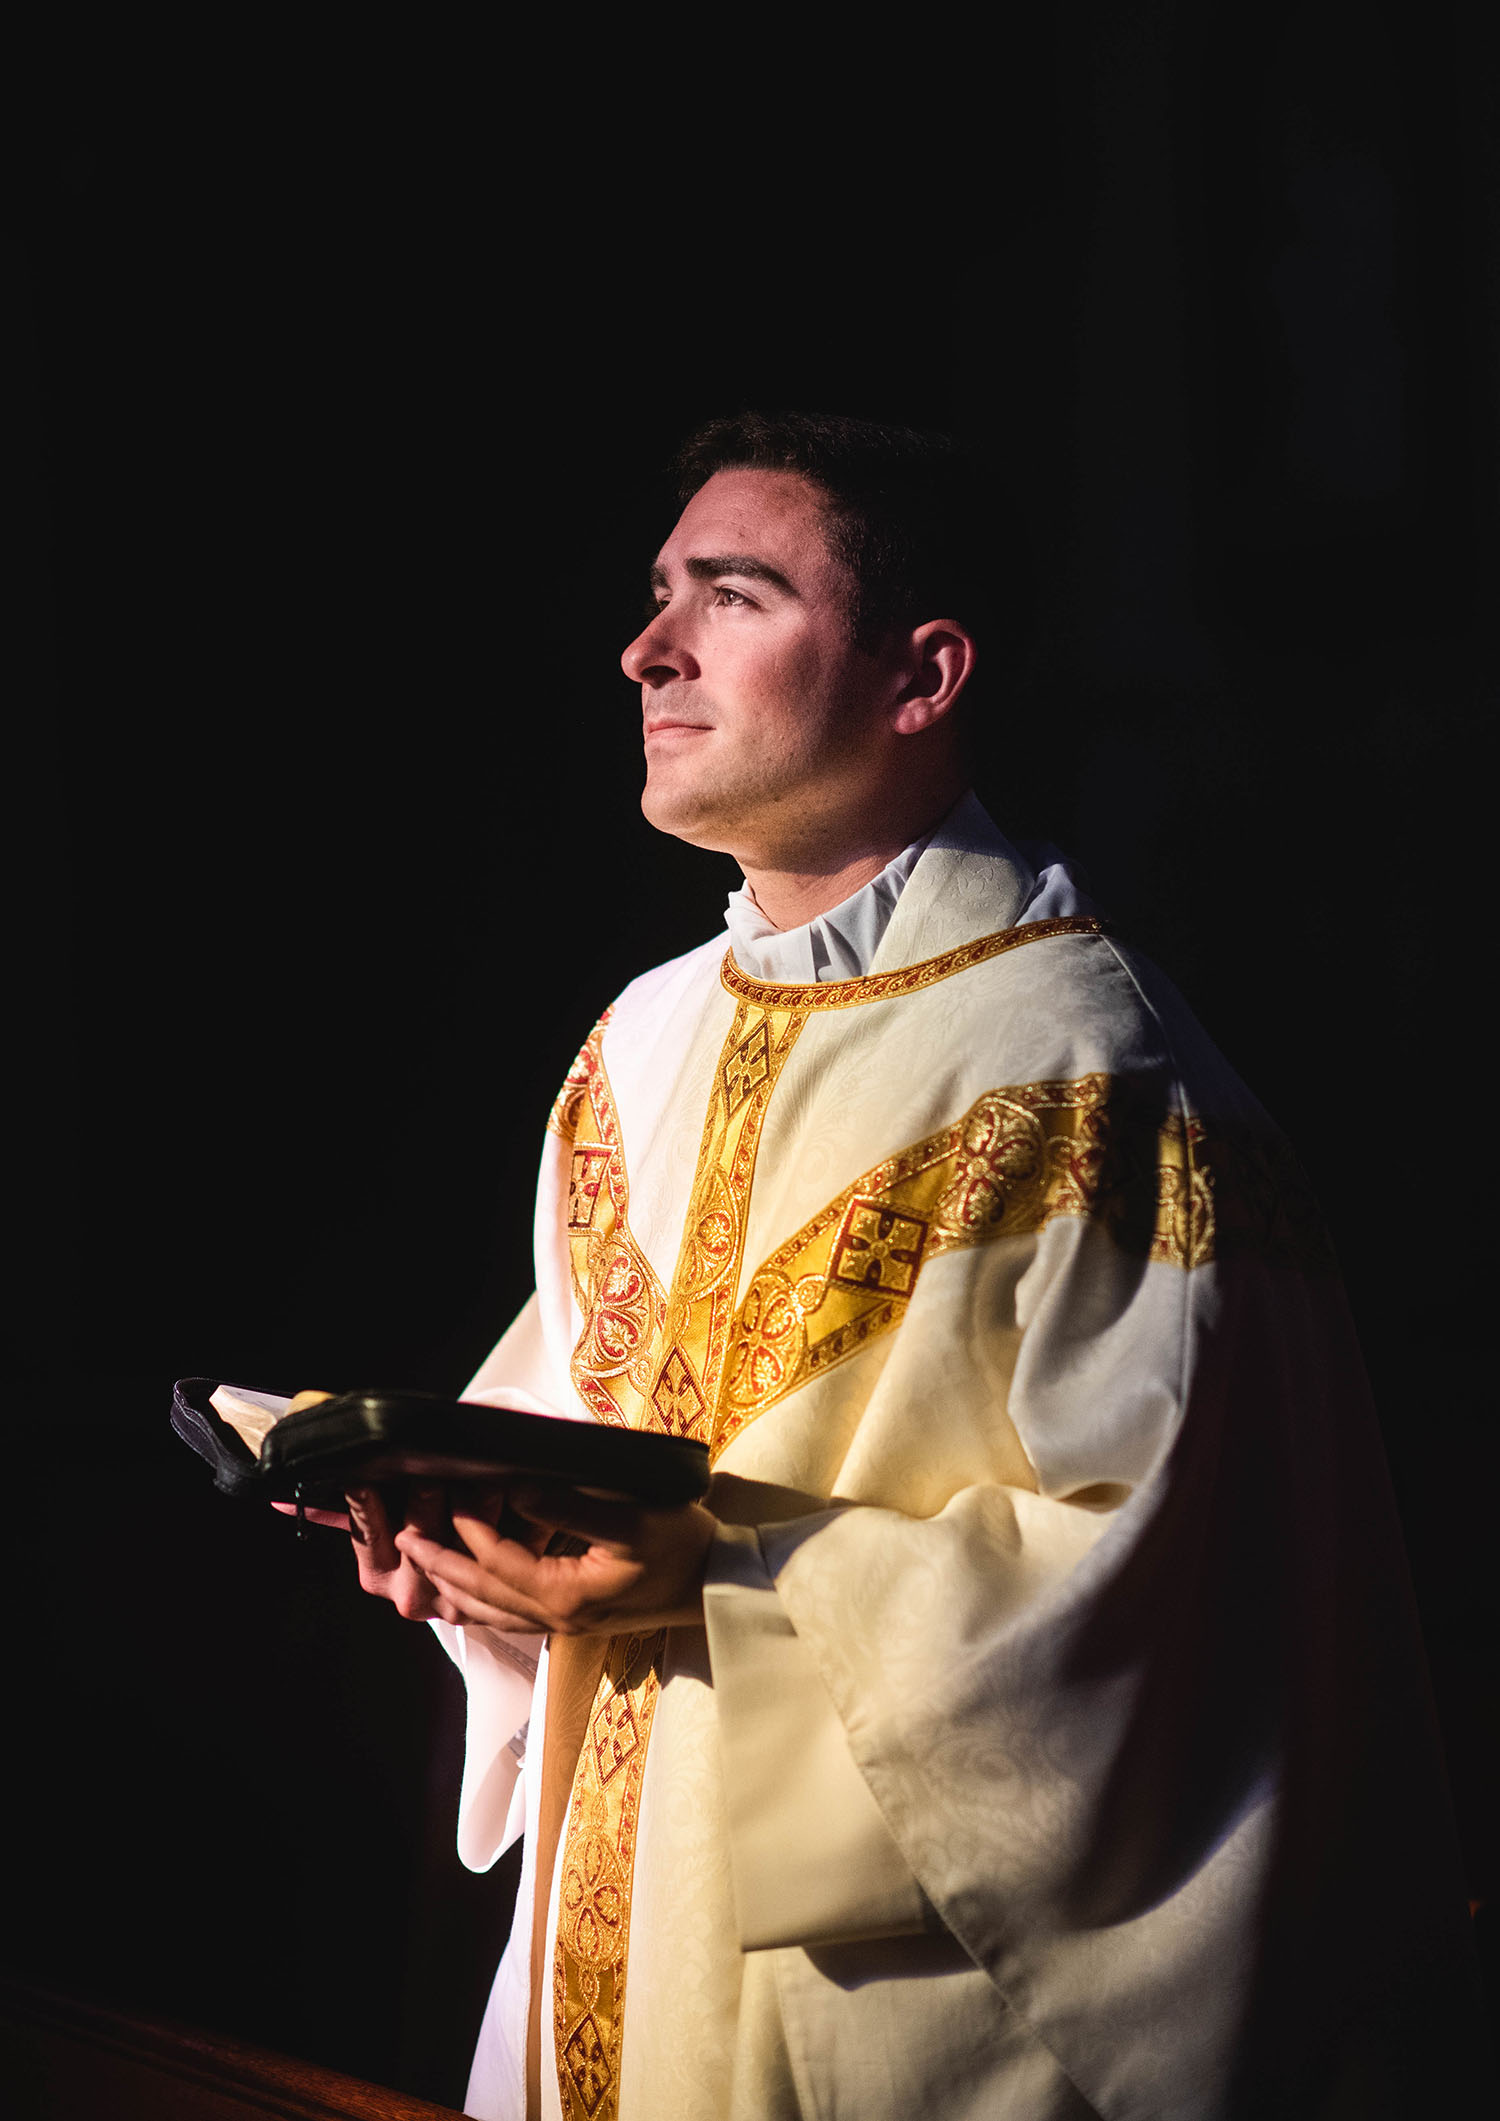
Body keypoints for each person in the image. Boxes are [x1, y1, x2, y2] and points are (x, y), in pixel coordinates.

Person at [318, 414, 1484, 2119]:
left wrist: (712, 1579)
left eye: (733, 594)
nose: (649, 649)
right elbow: (564, 1422)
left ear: (921, 675)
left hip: (899, 2002)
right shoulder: (637, 1041)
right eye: (658, 597)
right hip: (612, 1923)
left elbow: (1176, 1607)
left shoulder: (1088, 1064)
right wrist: (465, 1555)